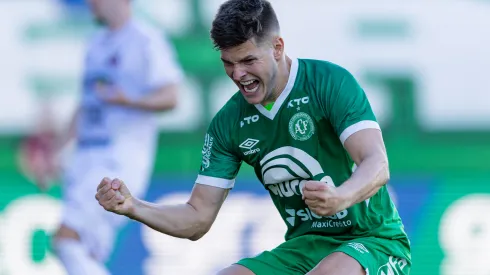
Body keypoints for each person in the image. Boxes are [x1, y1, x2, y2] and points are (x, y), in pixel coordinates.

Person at [95, 0, 411, 274]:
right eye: (228, 64)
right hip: (304, 248)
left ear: (277, 48)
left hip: (373, 240)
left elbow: (377, 163)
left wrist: (341, 196)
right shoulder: (228, 123)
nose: (238, 75)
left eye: (248, 61)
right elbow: (197, 218)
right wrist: (133, 206)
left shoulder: (329, 82)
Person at [48, 0, 184, 274]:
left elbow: (171, 96)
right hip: (85, 158)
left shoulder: (145, 39)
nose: (89, 3)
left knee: (67, 238)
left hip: (119, 160)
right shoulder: (95, 43)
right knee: (86, 252)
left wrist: (129, 100)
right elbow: (86, 104)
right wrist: (57, 149)